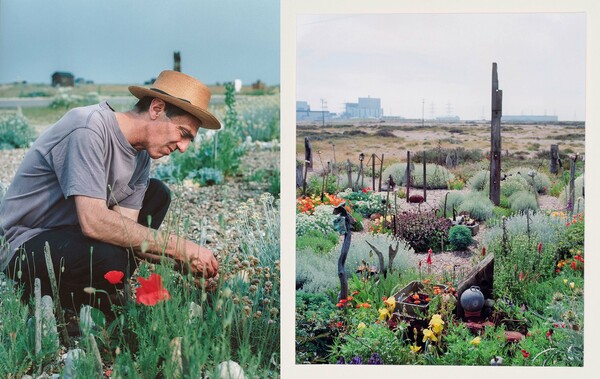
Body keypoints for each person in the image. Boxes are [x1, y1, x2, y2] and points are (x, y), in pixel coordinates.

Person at [0, 70, 221, 313]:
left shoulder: (140, 158)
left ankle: (99, 295)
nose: (183, 147)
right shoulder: (88, 127)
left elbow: (127, 236)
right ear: (156, 109)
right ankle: (65, 304)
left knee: (157, 195)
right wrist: (178, 246)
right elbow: (93, 222)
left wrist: (181, 262)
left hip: (71, 238)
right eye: (183, 133)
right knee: (109, 256)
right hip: (23, 243)